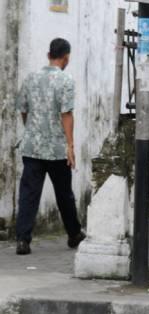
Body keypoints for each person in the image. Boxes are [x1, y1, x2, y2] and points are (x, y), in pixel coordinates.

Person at [16, 38, 85, 255]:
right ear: (66, 57)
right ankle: (74, 234)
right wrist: (71, 146)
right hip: (56, 149)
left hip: (32, 147)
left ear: (48, 55)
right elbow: (66, 114)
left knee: (28, 194)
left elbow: (23, 109)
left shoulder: (30, 78)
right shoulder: (66, 80)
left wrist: (31, 130)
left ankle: (22, 240)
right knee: (64, 193)